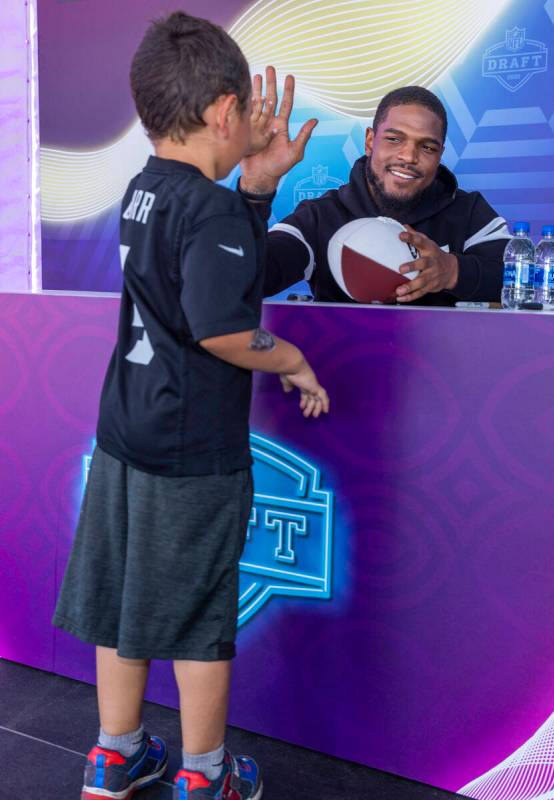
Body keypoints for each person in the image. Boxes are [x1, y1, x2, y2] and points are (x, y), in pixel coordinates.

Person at [52, 14, 328, 800]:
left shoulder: (148, 191)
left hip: (126, 434)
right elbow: (225, 327)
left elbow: (214, 273)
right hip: (190, 452)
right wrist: (296, 361)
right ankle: (206, 778)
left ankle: (116, 753)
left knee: (125, 599)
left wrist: (257, 185)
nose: (257, 119)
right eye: (247, 108)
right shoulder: (205, 208)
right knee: (201, 614)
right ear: (221, 113)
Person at [239, 73, 510, 306]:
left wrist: (451, 270)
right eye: (394, 139)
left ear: (440, 154)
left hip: (446, 363)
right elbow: (242, 281)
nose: (408, 156)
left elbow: (518, 281)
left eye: (427, 147)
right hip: (339, 364)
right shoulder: (320, 217)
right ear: (370, 141)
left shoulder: (469, 212)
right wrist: (256, 189)